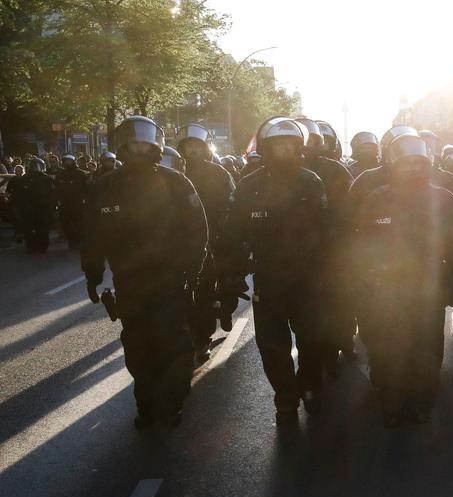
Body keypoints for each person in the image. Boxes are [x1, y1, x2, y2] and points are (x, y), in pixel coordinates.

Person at [81, 116, 208, 428]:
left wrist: (193, 267)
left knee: (172, 343)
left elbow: (197, 229)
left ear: (155, 146)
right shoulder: (105, 187)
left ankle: (170, 402)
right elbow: (93, 237)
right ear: (123, 147)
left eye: (144, 143)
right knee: (138, 344)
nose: (139, 148)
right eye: (133, 143)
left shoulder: (176, 182)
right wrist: (93, 274)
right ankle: (147, 403)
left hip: (170, 279)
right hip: (130, 282)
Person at [351, 133, 453, 426]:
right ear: (394, 165)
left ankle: (422, 402)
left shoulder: (444, 198)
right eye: (406, 163)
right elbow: (360, 243)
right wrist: (365, 281)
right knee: (389, 348)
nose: (413, 168)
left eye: (419, 162)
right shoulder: (377, 198)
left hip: (429, 288)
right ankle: (392, 400)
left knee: (428, 349)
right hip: (386, 290)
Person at [224, 117, 331, 424]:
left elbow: (327, 231)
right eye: (278, 146)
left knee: (313, 340)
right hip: (268, 280)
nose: (284, 151)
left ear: (299, 147)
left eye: (290, 145)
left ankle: (310, 384)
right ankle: (285, 397)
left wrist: (332, 273)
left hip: (309, 279)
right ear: (267, 149)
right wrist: (231, 272)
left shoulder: (311, 182)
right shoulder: (249, 185)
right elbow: (234, 233)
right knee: (271, 345)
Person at [294, 117, 356, 366]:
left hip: (333, 251)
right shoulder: (277, 174)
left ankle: (340, 342)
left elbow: (351, 210)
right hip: (296, 257)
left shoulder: (336, 170)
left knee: (339, 302)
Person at [175, 124, 237, 363]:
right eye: (188, 147)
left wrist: (225, 232)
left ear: (205, 148)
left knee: (216, 288)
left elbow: (233, 204)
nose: (192, 151)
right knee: (187, 294)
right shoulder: (174, 173)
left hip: (215, 240)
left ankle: (212, 326)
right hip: (182, 243)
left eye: (196, 146)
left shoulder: (220, 174)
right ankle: (191, 336)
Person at [11, 158, 56, 253]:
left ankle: (42, 247)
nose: (36, 168)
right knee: (29, 229)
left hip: (42, 208)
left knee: (42, 228)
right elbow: (20, 193)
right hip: (30, 208)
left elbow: (52, 194)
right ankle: (32, 247)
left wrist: (52, 206)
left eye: (38, 166)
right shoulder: (25, 179)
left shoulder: (46, 179)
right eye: (34, 166)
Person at [54, 154, 88, 249]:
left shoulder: (80, 174)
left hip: (78, 202)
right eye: (65, 161)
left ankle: (78, 241)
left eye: (69, 161)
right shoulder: (60, 174)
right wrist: (57, 200)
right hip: (65, 203)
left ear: (73, 162)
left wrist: (85, 199)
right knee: (66, 223)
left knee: (79, 223)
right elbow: (56, 189)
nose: (67, 163)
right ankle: (71, 241)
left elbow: (86, 188)